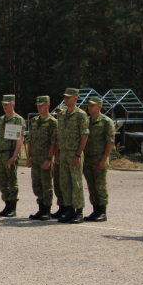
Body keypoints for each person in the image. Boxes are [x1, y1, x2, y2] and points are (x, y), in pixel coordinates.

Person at [57, 88, 90, 224]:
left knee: (76, 183)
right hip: (64, 153)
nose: (66, 99)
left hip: (74, 153)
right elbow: (59, 135)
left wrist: (78, 154)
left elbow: (84, 136)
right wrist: (58, 154)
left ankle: (79, 211)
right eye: (65, 97)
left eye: (69, 97)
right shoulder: (62, 114)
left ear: (76, 98)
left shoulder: (81, 115)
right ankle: (69, 209)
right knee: (64, 182)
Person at [83, 97, 116, 222]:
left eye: (92, 105)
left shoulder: (106, 121)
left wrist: (104, 159)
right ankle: (95, 210)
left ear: (99, 107)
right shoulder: (87, 121)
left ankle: (102, 211)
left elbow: (110, 141)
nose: (90, 107)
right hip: (88, 158)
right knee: (91, 185)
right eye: (89, 105)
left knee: (100, 186)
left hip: (99, 158)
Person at [25, 96, 58, 220]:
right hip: (35, 158)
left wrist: (49, 159)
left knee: (46, 184)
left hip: (45, 158)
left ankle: (47, 210)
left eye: (42, 105)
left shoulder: (52, 122)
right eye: (38, 105)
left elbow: (54, 142)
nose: (39, 107)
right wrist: (28, 157)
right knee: (37, 184)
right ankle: (40, 208)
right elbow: (30, 140)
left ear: (48, 105)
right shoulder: (34, 121)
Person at [51, 104, 67, 218]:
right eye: (58, 113)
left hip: (67, 157)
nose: (58, 115)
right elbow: (56, 142)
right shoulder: (58, 125)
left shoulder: (68, 125)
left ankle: (68, 208)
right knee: (57, 183)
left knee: (65, 183)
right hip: (58, 157)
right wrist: (56, 156)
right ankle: (61, 207)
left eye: (61, 113)